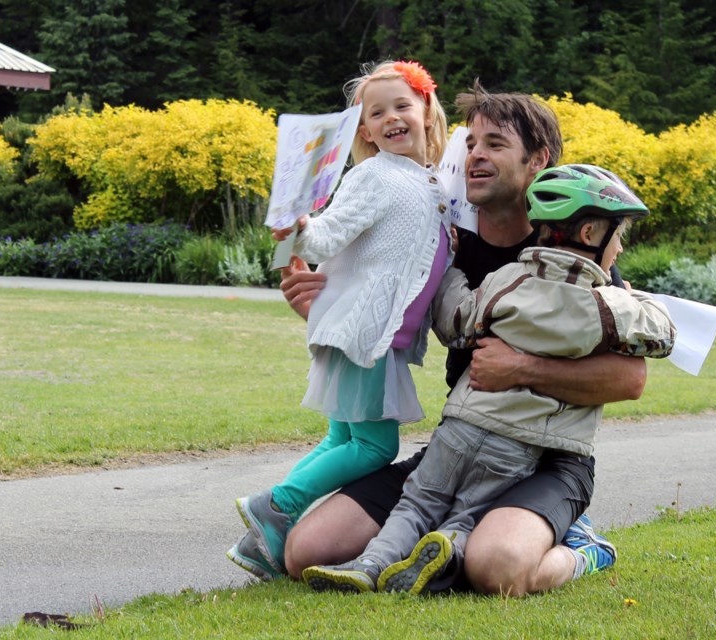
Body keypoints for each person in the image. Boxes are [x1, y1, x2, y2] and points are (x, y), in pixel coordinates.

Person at [277, 83, 648, 597]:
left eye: (494, 144)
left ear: (537, 160)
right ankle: (457, 534)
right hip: (460, 444)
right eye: (470, 143)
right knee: (307, 552)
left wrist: (522, 368)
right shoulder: (445, 245)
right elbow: (384, 309)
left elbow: (630, 379)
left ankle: (582, 545)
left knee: (495, 570)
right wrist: (318, 308)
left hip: (548, 457)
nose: (474, 155)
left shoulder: (578, 256)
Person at [227, 60, 452, 579]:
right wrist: (299, 225)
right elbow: (325, 237)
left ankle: (261, 541)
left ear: (426, 110)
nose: (392, 117)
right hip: (362, 331)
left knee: (341, 442)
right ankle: (276, 507)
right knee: (376, 446)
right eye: (377, 113)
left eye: (402, 105)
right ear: (366, 132)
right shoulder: (376, 176)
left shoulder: (428, 182)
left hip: (368, 331)